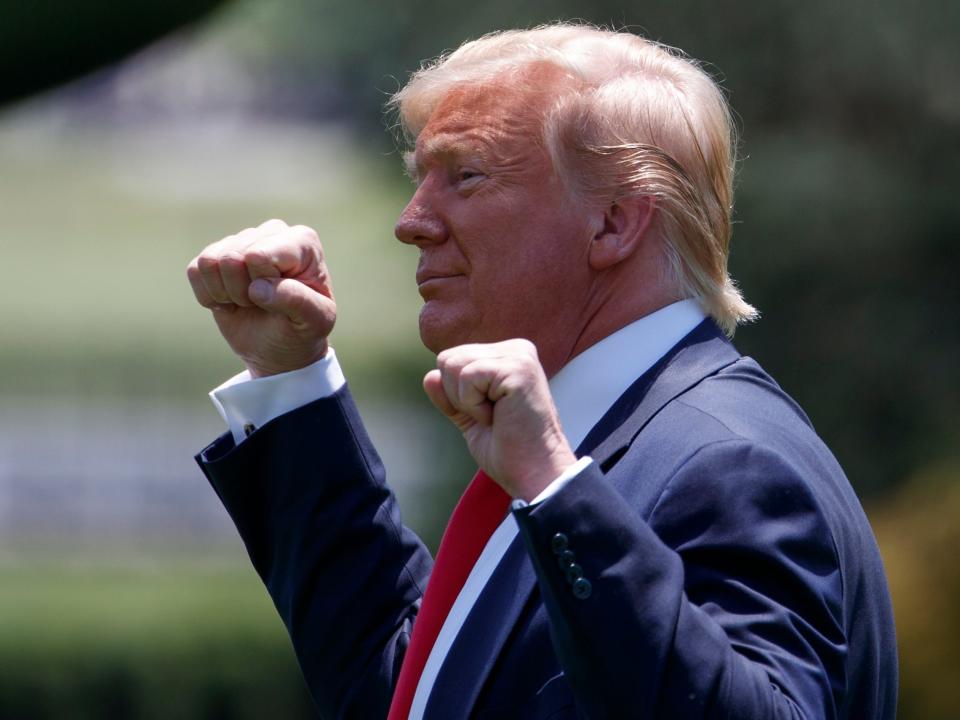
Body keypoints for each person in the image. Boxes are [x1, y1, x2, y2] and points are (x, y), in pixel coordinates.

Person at [187, 24, 897, 719]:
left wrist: (557, 489)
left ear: (614, 224)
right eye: (420, 180)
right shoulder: (586, 445)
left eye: (467, 176)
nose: (412, 222)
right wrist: (290, 376)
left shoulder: (726, 463)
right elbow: (408, 690)